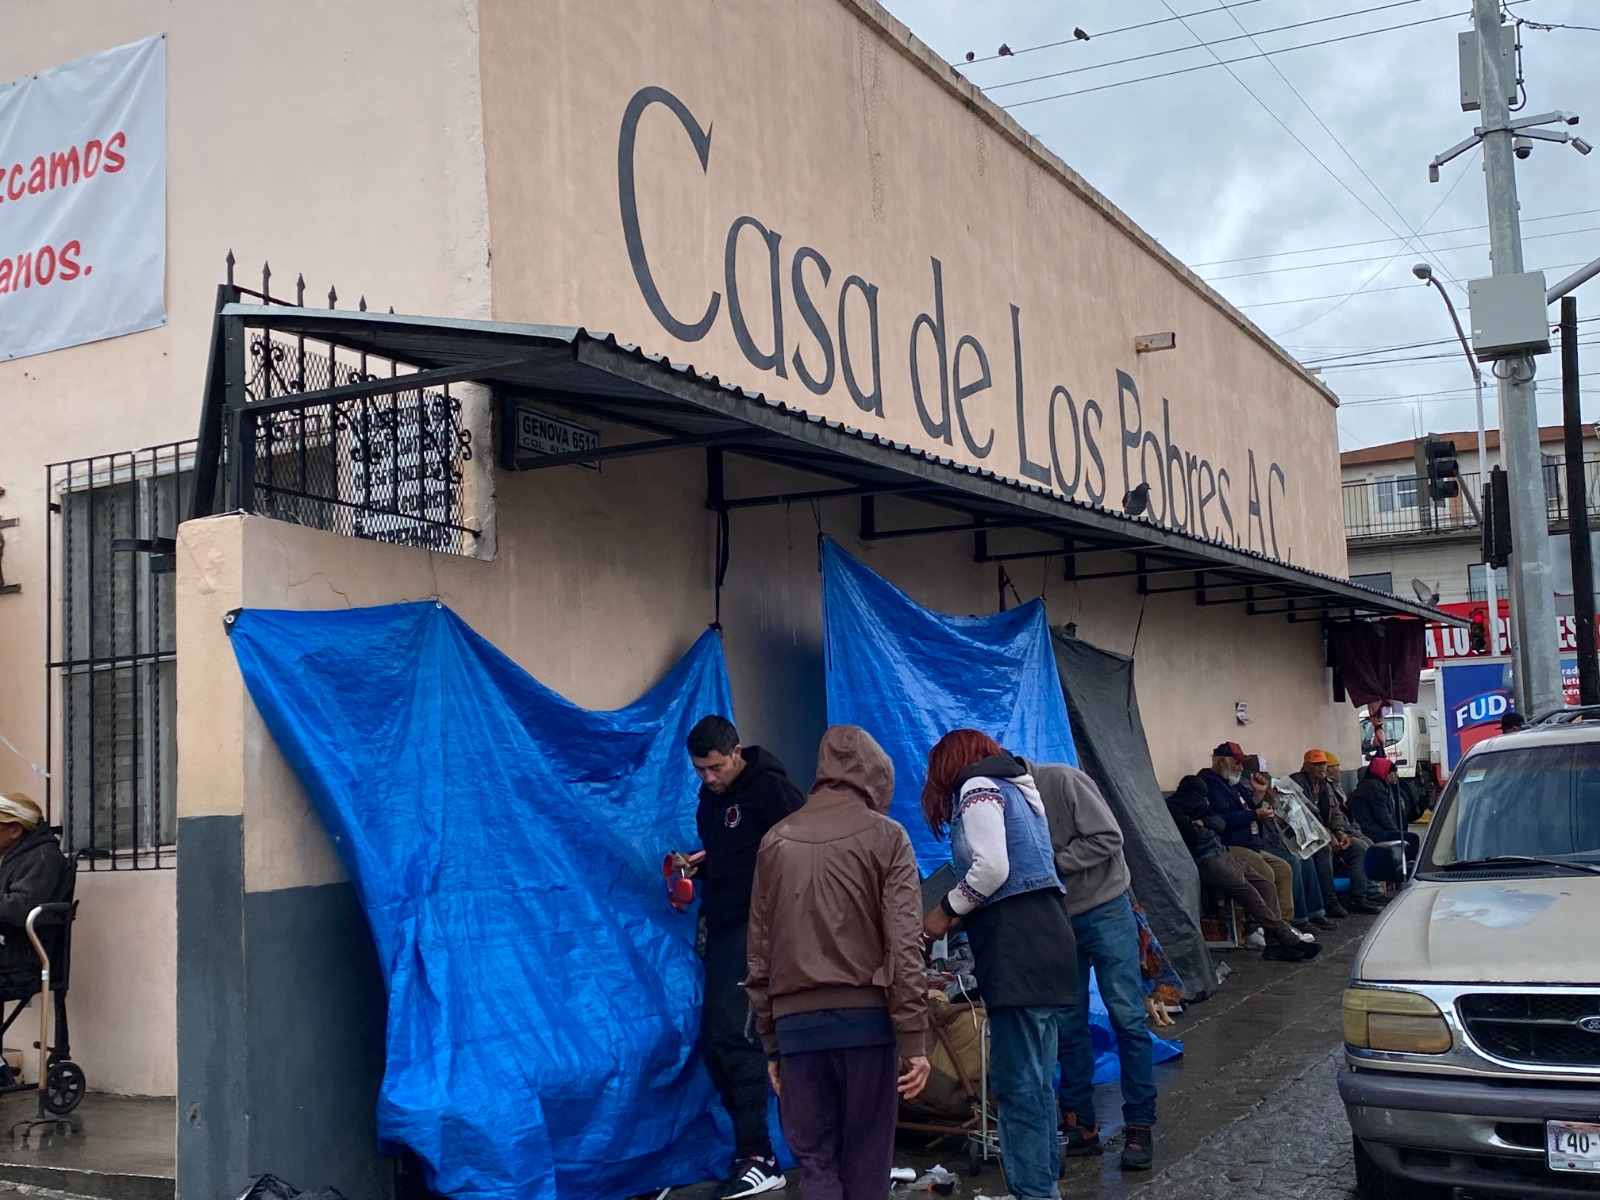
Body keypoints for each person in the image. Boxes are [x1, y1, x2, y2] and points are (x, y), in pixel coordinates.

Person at [745, 726, 930, 1200]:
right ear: (877, 778)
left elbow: (759, 953)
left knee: (816, 1162)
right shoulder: (888, 837)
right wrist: (914, 1040)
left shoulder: (775, 841)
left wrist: (770, 1042)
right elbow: (904, 945)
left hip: (795, 1029)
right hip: (865, 1025)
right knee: (867, 1160)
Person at [921, 731, 1076, 1200]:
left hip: (1017, 949)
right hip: (1051, 939)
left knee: (1018, 1084)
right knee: (1039, 1081)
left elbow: (991, 869)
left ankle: (1033, 1193)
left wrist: (942, 914)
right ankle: (1043, 1186)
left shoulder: (976, 787)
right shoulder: (1021, 790)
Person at [681, 716, 805, 1199]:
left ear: (735, 753)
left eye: (714, 767)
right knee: (716, 1042)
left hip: (760, 926)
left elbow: (800, 851)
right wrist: (704, 862)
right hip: (726, 922)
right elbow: (736, 848)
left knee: (737, 1037)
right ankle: (751, 1149)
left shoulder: (770, 789)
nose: (708, 778)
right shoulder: (711, 799)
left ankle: (760, 1155)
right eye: (699, 770)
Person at [1019, 756, 1155, 1171]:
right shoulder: (999, 804)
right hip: (1057, 917)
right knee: (1067, 1021)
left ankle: (1139, 1126)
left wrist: (1050, 863)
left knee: (1127, 1018)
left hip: (1106, 907)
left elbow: (1108, 838)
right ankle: (1081, 1125)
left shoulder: (1061, 781)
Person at [1164, 777, 1320, 962]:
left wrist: (1206, 824)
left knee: (1265, 885)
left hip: (1222, 852)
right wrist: (1208, 826)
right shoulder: (1174, 808)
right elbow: (1195, 833)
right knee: (1248, 892)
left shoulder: (1202, 804)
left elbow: (1220, 823)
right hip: (1206, 859)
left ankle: (1275, 943)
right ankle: (1287, 937)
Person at [1197, 743, 1298, 930]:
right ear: (1221, 762)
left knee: (1284, 869)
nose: (1241, 768)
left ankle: (1285, 924)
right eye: (1236, 763)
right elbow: (1222, 819)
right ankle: (1259, 928)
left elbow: (1249, 809)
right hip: (1228, 845)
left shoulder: (1234, 784)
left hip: (1250, 843)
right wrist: (1254, 814)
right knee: (1265, 874)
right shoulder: (1211, 784)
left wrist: (1258, 794)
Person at [1244, 758, 1333, 934]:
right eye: (1261, 776)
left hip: (1278, 838)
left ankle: (1315, 912)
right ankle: (1298, 918)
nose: (1265, 781)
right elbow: (1251, 819)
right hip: (1259, 841)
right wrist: (1265, 801)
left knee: (1306, 857)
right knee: (1292, 862)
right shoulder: (1244, 789)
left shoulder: (1270, 787)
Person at [1292, 750, 1383, 915]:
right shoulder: (1296, 784)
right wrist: (1329, 835)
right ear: (1306, 766)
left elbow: (1335, 812)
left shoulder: (1326, 785)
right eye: (1316, 764)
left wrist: (1340, 832)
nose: (1322, 768)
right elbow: (1305, 817)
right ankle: (1329, 901)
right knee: (1324, 851)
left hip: (1328, 834)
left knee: (1359, 848)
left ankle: (1358, 899)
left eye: (1324, 764)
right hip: (1306, 836)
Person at [0, 794, 70, 1000]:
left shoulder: (42, 857)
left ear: (14, 830)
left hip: (25, 960)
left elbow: (21, 908)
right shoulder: (14, 855)